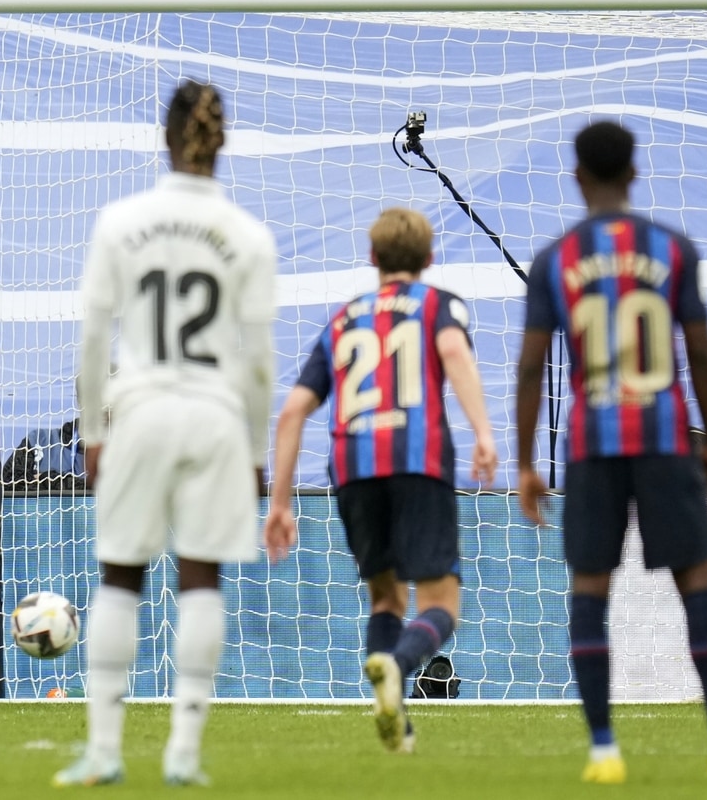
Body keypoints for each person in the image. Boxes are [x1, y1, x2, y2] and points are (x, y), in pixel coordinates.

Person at [514, 121, 707, 783]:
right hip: (662, 440)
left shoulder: (555, 258)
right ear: (635, 172)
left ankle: (602, 751)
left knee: (590, 591)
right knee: (694, 587)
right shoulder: (672, 249)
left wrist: (524, 463)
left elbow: (531, 365)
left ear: (576, 176)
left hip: (594, 446)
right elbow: (701, 350)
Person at [54, 79, 276, 788]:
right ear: (223, 140)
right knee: (202, 576)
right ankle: (184, 751)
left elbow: (93, 339)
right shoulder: (248, 234)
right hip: (214, 415)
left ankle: (104, 749)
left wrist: (93, 432)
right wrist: (257, 451)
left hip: (142, 410)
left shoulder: (121, 221)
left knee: (120, 576)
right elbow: (260, 362)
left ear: (164, 136)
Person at [264, 205, 498, 754]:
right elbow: (453, 354)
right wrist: (484, 433)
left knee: (385, 599)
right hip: (417, 461)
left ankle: (397, 728)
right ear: (429, 257)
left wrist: (279, 503)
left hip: (353, 469)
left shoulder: (343, 320)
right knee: (442, 603)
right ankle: (398, 666)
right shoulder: (439, 306)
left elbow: (292, 412)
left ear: (372, 259)